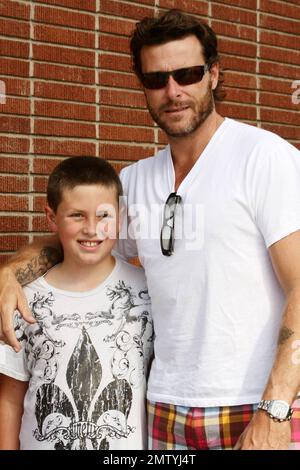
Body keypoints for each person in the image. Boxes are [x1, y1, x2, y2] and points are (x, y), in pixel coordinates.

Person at [0, 9, 300, 450]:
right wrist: (12, 271)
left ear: (213, 74)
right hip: (164, 410)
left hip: (253, 405)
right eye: (157, 79)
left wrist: (275, 408)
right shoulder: (136, 180)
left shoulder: (263, 158)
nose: (173, 91)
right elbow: (78, 240)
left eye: (188, 74)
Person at [0, 156, 153, 450]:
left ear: (120, 216)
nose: (92, 229)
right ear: (51, 218)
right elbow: (10, 398)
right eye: (77, 216)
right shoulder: (24, 298)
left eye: (104, 215)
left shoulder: (146, 292)